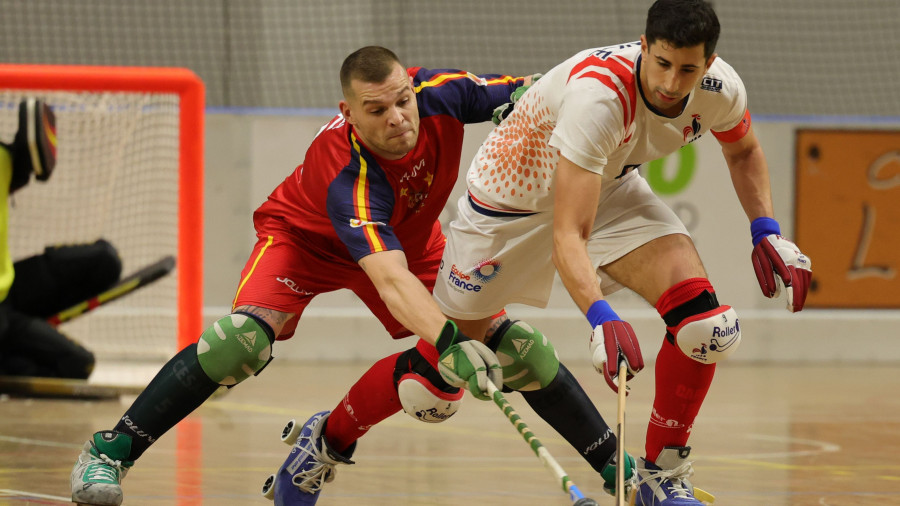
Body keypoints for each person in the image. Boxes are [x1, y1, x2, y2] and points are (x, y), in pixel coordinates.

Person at [71, 46, 581, 506]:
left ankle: (326, 441)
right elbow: (390, 281)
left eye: (403, 101)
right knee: (239, 342)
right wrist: (449, 340)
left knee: (499, 350)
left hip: (404, 239)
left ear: (411, 87)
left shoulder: (438, 92)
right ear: (349, 114)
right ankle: (111, 450)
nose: (399, 119)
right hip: (305, 242)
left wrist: (561, 111)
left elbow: (538, 89)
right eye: (377, 111)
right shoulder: (347, 173)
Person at [432, 1, 812, 505]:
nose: (673, 84)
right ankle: (326, 440)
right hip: (505, 213)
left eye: (688, 69)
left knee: (707, 327)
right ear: (644, 45)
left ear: (710, 62)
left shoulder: (722, 89)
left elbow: (742, 150)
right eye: (662, 63)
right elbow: (569, 235)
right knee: (435, 381)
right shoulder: (600, 98)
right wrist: (600, 315)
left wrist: (767, 230)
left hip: (606, 187)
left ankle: (661, 477)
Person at [0, 98, 121, 381]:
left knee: (103, 262)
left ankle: (15, 336)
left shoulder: (4, 158)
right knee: (78, 364)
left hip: (9, 286)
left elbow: (33, 155)